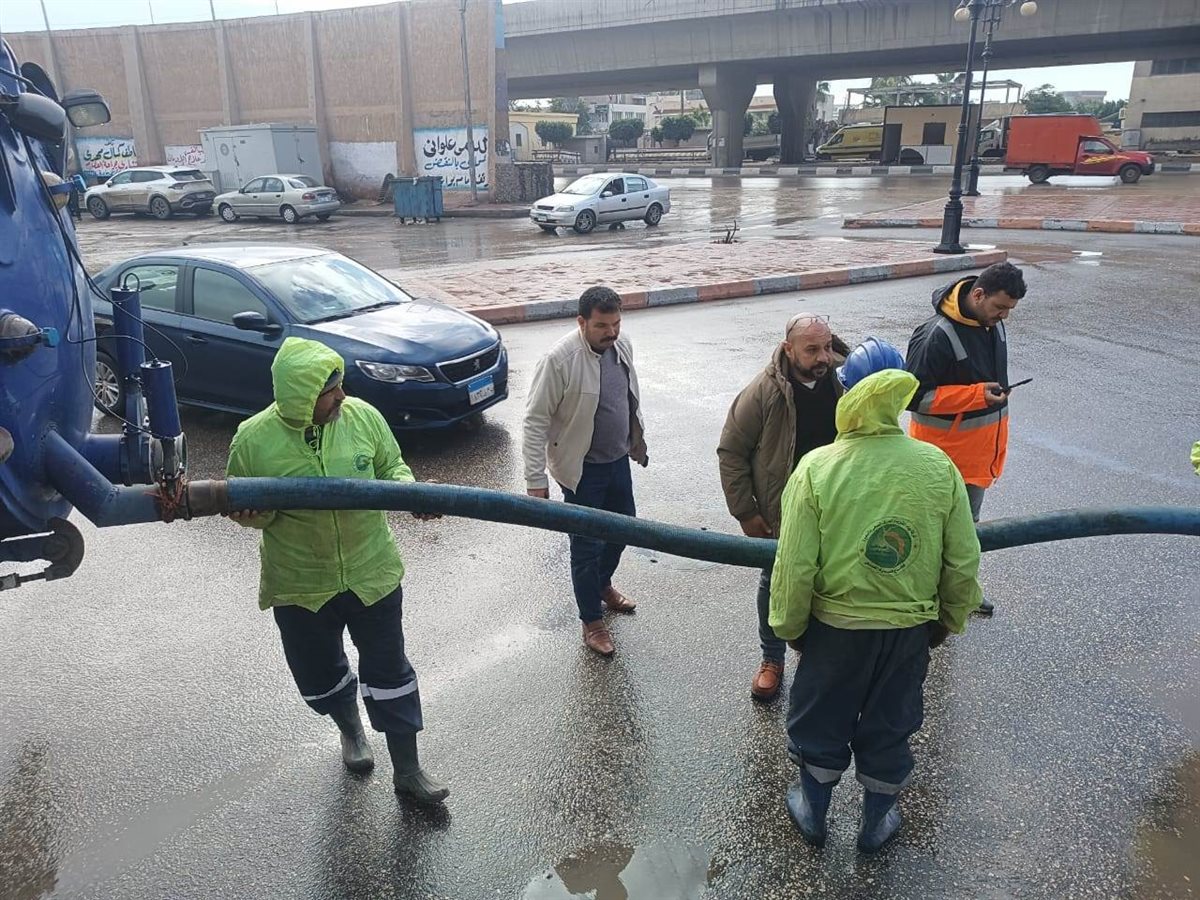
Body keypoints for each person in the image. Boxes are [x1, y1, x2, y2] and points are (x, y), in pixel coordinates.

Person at [770, 338, 982, 852]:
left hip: (835, 631)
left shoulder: (818, 468)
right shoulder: (937, 466)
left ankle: (814, 813)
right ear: (901, 394)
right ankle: (875, 822)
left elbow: (794, 566)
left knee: (820, 721)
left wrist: (791, 628)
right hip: (908, 631)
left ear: (847, 393)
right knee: (892, 722)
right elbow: (962, 559)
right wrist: (948, 619)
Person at [225, 336, 448, 805]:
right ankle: (351, 731)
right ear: (300, 397)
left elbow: (392, 467)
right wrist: (251, 514)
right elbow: (248, 510)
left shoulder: (363, 417)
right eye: (329, 391)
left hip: (372, 574)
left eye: (340, 385)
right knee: (319, 673)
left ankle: (408, 770)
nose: (342, 396)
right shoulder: (252, 439)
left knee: (390, 672)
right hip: (300, 583)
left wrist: (411, 494)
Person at [718, 313, 848, 702]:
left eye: (827, 347)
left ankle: (820, 656)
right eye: (812, 349)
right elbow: (731, 452)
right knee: (775, 581)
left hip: (836, 507)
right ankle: (772, 659)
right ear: (788, 349)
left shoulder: (843, 381)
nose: (823, 357)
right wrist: (745, 512)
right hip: (784, 509)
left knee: (831, 580)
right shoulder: (763, 392)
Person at [523, 286, 648, 657]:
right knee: (586, 545)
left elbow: (627, 400)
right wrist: (535, 479)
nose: (611, 332)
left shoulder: (621, 346)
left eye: (616, 323)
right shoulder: (559, 360)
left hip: (617, 460)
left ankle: (602, 585)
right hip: (582, 471)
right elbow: (535, 420)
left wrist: (637, 443)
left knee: (624, 528)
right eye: (602, 326)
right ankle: (592, 621)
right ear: (581, 322)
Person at [905, 261, 1027, 616]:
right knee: (936, 532)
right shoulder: (935, 335)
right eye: (1000, 307)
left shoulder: (992, 324)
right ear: (978, 295)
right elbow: (914, 398)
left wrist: (992, 394)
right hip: (941, 459)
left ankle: (958, 593)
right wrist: (977, 395)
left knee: (964, 533)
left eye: (1009, 309)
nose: (1004, 316)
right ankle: (929, 597)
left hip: (977, 456)